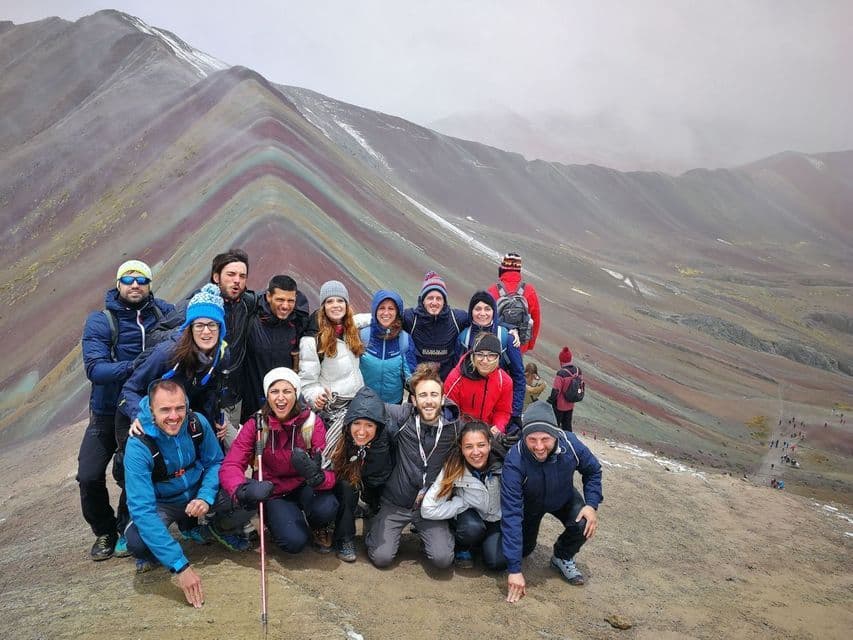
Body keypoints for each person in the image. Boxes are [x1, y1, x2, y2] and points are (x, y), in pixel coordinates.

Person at [123, 380, 251, 608]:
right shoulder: (138, 446)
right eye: (165, 410)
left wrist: (205, 496)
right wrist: (180, 565)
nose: (174, 416)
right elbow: (142, 510)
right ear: (151, 410)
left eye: (179, 408)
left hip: (195, 491)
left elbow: (215, 462)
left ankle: (215, 527)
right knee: (138, 543)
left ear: (187, 405)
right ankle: (173, 539)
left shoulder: (196, 423)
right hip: (164, 502)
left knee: (246, 495)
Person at [79, 260, 175, 561]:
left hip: (145, 411)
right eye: (129, 279)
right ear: (118, 284)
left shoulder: (163, 313)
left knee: (130, 472)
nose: (136, 285)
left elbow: (184, 332)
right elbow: (95, 368)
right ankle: (104, 530)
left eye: (142, 279)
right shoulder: (102, 321)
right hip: (106, 410)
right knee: (89, 474)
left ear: (149, 284)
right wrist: (137, 367)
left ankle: (123, 529)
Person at [220, 368, 339, 554]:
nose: (280, 398)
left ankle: (318, 525)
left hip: (305, 484)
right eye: (274, 391)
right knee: (294, 543)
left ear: (296, 393)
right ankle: (276, 520)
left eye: (287, 391)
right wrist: (240, 489)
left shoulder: (311, 423)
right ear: (267, 395)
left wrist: (320, 478)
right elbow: (232, 463)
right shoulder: (257, 424)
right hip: (274, 490)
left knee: (327, 507)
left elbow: (330, 468)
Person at [501, 401, 602, 603]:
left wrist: (591, 504)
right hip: (530, 506)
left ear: (555, 434)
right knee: (523, 552)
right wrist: (514, 570)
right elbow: (511, 514)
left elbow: (593, 471)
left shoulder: (571, 444)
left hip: (563, 497)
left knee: (584, 522)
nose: (539, 447)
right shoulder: (514, 460)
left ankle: (562, 556)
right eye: (532, 439)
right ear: (524, 436)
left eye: (545, 439)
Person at [366, 364, 461, 569]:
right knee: (381, 558)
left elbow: (480, 440)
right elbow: (369, 406)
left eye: (434, 395)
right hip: (396, 502)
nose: (428, 401)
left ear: (443, 398)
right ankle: (376, 522)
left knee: (442, 559)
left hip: (431, 507)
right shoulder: (402, 416)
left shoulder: (454, 427)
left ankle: (440, 533)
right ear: (413, 400)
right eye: (423, 395)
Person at [159, 249, 256, 429]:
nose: (237, 280)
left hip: (233, 396)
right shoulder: (197, 305)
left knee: (228, 452)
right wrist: (189, 341)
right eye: (231, 274)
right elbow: (158, 333)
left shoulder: (247, 303)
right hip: (201, 396)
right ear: (216, 277)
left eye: (242, 276)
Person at [421, 421, 505, 570]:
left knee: (497, 563)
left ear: (490, 444)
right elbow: (428, 508)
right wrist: (460, 503)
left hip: (497, 518)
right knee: (472, 529)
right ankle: (463, 546)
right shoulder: (454, 466)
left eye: (481, 445)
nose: (476, 452)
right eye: (469, 447)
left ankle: (483, 544)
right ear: (461, 447)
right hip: (469, 518)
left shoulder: (505, 465)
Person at [299, 280, 365, 461]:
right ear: (323, 307)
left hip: (356, 405)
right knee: (335, 458)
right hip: (333, 411)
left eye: (340, 300)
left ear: (346, 304)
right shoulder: (312, 340)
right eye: (329, 301)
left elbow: (362, 319)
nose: (335, 305)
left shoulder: (349, 330)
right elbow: (307, 383)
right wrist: (316, 396)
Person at [329, 387, 393, 562]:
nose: (362, 431)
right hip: (351, 478)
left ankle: (374, 515)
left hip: (379, 480)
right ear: (349, 423)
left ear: (378, 427)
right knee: (347, 488)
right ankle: (344, 538)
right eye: (357, 423)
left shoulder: (389, 434)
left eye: (369, 425)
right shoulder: (339, 435)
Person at [243, 274, 310, 418]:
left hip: (285, 405)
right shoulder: (251, 319)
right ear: (268, 296)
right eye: (280, 299)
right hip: (252, 402)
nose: (285, 306)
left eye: (290, 301)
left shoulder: (299, 322)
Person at [458, 290, 525, 427]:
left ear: (494, 311)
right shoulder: (463, 337)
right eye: (478, 309)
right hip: (466, 413)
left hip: (497, 412)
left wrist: (514, 413)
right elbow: (457, 373)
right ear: (471, 312)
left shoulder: (507, 338)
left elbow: (519, 377)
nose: (482, 313)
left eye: (487, 309)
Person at [401, 271, 469, 381]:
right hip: (419, 385)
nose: (434, 302)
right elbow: (388, 318)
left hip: (445, 386)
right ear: (423, 300)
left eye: (439, 298)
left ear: (444, 301)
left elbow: (480, 319)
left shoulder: (456, 319)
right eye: (430, 298)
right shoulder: (411, 318)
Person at [444, 333, 513, 435]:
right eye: (480, 354)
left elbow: (503, 411)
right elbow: (448, 411)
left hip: (487, 431)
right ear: (472, 355)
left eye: (491, 355)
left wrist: (498, 426)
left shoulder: (505, 381)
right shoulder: (456, 378)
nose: (485, 361)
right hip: (459, 430)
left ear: (498, 357)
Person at [358, 290, 417, 403]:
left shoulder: (404, 340)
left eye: (391, 308)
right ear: (375, 311)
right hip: (364, 404)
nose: (386, 313)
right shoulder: (362, 336)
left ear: (397, 312)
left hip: (393, 406)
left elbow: (410, 375)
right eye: (381, 308)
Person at [487, 252, 541, 353]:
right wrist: (529, 345)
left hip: (497, 345)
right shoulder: (529, 291)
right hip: (520, 346)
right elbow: (536, 321)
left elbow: (486, 320)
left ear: (502, 268)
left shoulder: (492, 290)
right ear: (519, 270)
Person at [548, 347, 579, 432]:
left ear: (561, 360)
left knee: (555, 426)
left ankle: (557, 442)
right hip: (571, 404)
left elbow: (556, 391)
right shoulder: (577, 371)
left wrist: (549, 401)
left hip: (559, 406)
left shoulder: (561, 373)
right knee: (567, 426)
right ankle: (569, 441)